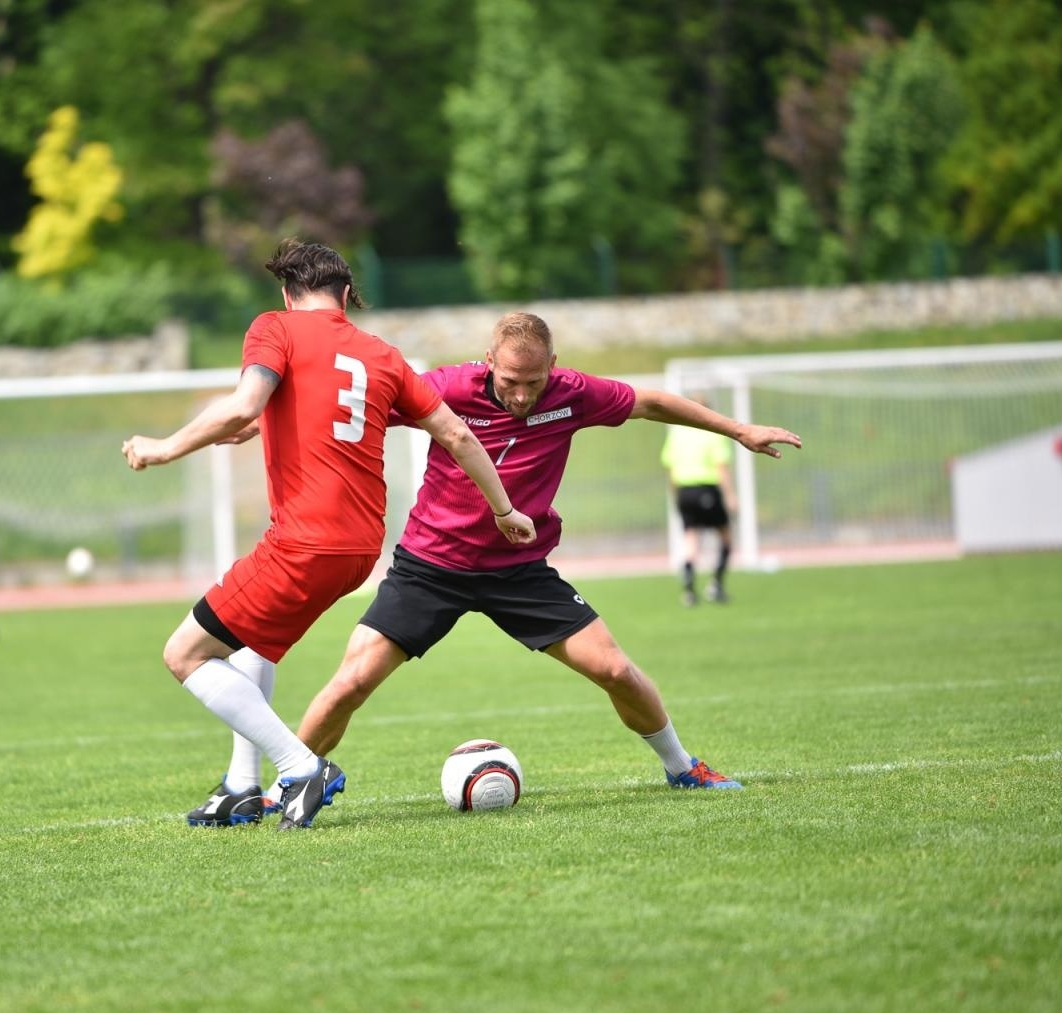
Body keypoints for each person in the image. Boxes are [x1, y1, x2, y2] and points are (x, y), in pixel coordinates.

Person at [284, 312, 801, 797]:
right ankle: (282, 789)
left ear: (552, 367)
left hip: (519, 573)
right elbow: (357, 410)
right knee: (352, 680)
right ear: (488, 361)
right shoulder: (446, 388)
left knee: (616, 672)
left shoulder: (572, 393)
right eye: (510, 381)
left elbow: (654, 403)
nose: (521, 394)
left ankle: (682, 767)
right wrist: (268, 423)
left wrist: (739, 431)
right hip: (431, 567)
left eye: (533, 382)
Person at [122, 239, 536, 830]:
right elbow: (459, 436)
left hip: (305, 541)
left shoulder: (276, 327)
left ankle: (299, 766)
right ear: (345, 295)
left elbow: (244, 406)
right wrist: (503, 511)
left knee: (184, 654)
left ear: (288, 294)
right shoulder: (383, 355)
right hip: (361, 550)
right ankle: (241, 786)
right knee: (253, 643)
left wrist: (163, 448)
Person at [661, 399, 737, 606]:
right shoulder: (712, 433)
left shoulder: (677, 434)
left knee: (691, 538)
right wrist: (730, 495)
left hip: (684, 490)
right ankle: (716, 586)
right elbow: (721, 466)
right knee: (726, 536)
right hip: (706, 488)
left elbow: (669, 465)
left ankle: (688, 591)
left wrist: (675, 493)